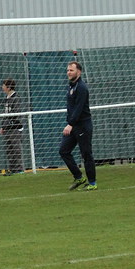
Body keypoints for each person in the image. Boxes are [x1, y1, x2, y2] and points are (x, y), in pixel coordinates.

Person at [60, 61, 97, 191]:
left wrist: (70, 124)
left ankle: (92, 183)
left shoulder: (81, 87)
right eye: (68, 70)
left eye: (71, 70)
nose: (68, 72)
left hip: (82, 126)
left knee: (86, 154)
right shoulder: (71, 86)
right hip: (74, 125)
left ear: (78, 72)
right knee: (63, 151)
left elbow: (79, 108)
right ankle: (79, 177)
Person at [0, 79, 26, 175]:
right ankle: (12, 169)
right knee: (9, 149)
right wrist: (3, 126)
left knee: (16, 149)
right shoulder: (7, 98)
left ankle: (19, 169)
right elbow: (5, 114)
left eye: (3, 85)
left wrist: (10, 123)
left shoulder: (16, 98)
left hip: (14, 127)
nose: (2, 87)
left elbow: (16, 114)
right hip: (7, 128)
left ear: (8, 87)